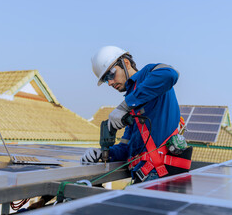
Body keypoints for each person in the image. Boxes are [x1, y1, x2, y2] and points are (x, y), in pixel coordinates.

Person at [82, 46, 192, 183]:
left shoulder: (148, 76)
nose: (110, 83)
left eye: (110, 75)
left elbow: (171, 74)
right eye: (105, 80)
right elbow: (126, 147)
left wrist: (125, 105)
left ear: (126, 63)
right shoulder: (133, 102)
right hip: (145, 176)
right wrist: (103, 153)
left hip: (161, 175)